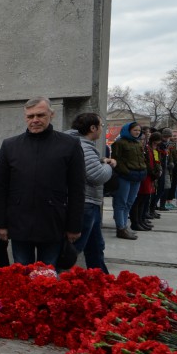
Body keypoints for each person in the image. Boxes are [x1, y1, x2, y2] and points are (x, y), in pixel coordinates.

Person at [0, 97, 85, 265]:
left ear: (51, 114)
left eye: (40, 115)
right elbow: (0, 188)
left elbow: (77, 189)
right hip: (19, 224)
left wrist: (74, 226)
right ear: (25, 117)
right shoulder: (10, 145)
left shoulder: (70, 144)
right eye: (30, 116)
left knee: (47, 275)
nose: (35, 120)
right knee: (21, 274)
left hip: (53, 223)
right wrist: (1, 224)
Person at [66, 113, 115, 269]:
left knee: (95, 247)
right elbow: (96, 175)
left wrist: (101, 161)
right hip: (86, 203)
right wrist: (109, 165)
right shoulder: (83, 145)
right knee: (72, 251)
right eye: (101, 125)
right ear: (92, 128)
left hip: (89, 203)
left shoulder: (77, 143)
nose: (102, 129)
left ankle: (100, 279)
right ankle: (53, 278)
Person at [110, 121, 146, 239]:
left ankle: (125, 226)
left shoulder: (138, 143)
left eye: (139, 130)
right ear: (128, 130)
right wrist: (126, 172)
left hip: (137, 176)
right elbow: (116, 160)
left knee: (130, 202)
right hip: (125, 177)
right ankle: (120, 228)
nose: (137, 132)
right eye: (135, 130)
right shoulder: (119, 143)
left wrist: (143, 170)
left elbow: (141, 159)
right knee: (121, 202)